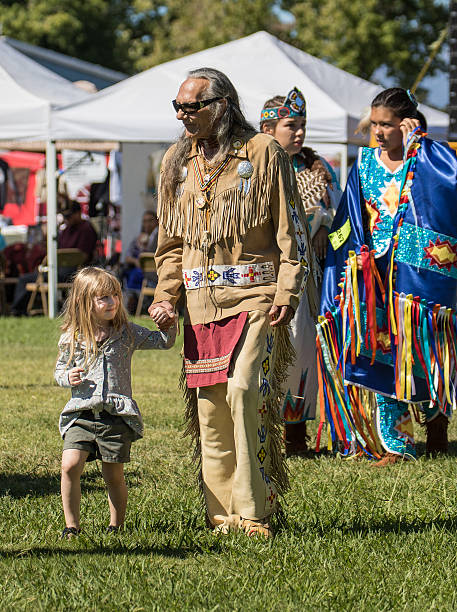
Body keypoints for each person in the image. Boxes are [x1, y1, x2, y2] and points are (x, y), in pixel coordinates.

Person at [149, 68, 316, 537]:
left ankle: (255, 510)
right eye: (178, 107)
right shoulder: (176, 162)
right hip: (201, 303)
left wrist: (288, 288)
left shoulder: (262, 152)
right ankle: (221, 513)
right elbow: (170, 243)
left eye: (193, 107)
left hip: (256, 294)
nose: (183, 116)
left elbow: (291, 229)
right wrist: (166, 295)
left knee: (245, 389)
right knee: (210, 408)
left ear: (222, 105)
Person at [317, 88, 455, 465]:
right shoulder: (364, 163)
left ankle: (435, 419)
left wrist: (421, 141)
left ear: (405, 123)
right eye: (374, 123)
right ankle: (397, 443)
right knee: (382, 350)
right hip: (372, 273)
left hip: (412, 271)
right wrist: (340, 259)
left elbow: (451, 182)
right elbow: (348, 217)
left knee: (420, 349)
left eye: (387, 124)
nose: (378, 131)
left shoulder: (424, 155)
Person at [54, 267, 176, 538]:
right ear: (84, 303)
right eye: (103, 298)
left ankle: (116, 526)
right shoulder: (72, 338)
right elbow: (59, 371)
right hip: (81, 412)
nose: (111, 303)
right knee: (70, 465)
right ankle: (71, 526)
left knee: (114, 475)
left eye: (115, 296)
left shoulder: (127, 332)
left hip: (115, 414)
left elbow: (163, 342)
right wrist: (68, 377)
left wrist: (169, 323)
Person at [260, 87, 342, 456]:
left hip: (309, 279)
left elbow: (344, 224)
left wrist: (324, 222)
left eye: (303, 126)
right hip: (265, 276)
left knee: (302, 351)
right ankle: (263, 432)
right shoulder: (253, 168)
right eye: (290, 125)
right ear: (268, 128)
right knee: (266, 353)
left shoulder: (319, 171)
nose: (299, 133)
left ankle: (295, 436)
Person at [10, 201, 98, 316]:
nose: (67, 219)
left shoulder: (86, 229)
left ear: (78, 213)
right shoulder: (66, 230)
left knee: (24, 280)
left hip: (74, 272)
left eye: (69, 216)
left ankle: (17, 311)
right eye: (65, 216)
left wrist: (63, 258)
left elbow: (83, 256)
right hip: (59, 269)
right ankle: (23, 309)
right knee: (29, 277)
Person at [122, 210, 159, 313]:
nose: (147, 224)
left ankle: (135, 303)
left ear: (157, 221)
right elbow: (128, 256)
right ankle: (133, 301)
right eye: (144, 221)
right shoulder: (139, 238)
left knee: (134, 275)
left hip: (153, 273)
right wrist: (135, 261)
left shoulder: (159, 236)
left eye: (150, 220)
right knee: (125, 273)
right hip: (141, 270)